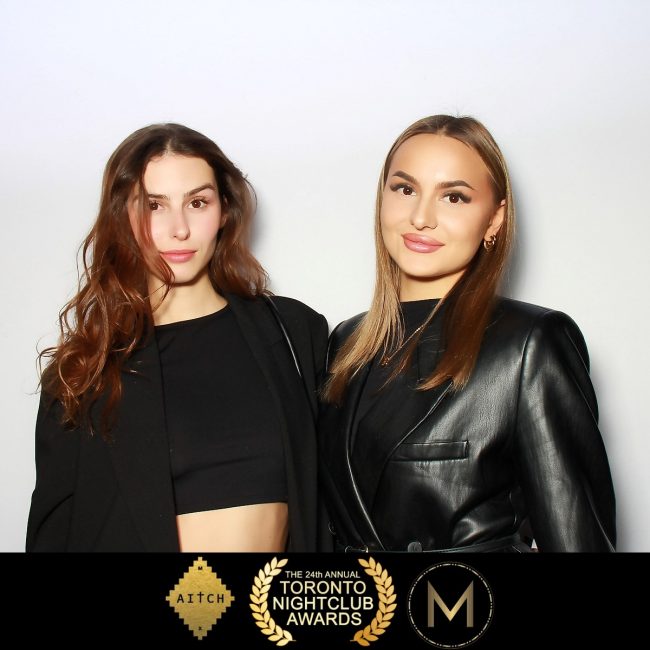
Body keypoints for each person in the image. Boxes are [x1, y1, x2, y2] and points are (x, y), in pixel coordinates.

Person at [319, 115, 616, 552]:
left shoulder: (529, 343)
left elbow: (578, 540)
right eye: (404, 189)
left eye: (454, 197)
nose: (421, 217)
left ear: (494, 220)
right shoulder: (345, 342)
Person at [27, 123, 328, 552]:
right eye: (154, 206)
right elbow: (54, 533)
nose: (179, 229)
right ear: (123, 217)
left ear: (224, 210)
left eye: (197, 202)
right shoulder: (84, 372)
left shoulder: (294, 331)